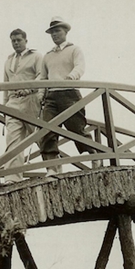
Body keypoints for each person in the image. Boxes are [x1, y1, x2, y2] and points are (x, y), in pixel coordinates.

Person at [39, 17, 98, 176]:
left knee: (76, 129)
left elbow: (80, 66)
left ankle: (95, 155)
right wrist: (41, 94)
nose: (55, 35)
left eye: (57, 31)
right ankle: (52, 167)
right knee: (47, 130)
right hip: (52, 96)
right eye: (52, 32)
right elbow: (43, 77)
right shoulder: (48, 55)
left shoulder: (74, 49)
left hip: (69, 93)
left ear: (65, 31)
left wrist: (71, 78)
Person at [2, 29, 43, 183]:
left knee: (39, 136)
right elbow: (5, 84)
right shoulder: (9, 60)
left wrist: (31, 88)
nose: (16, 43)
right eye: (13, 41)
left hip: (30, 99)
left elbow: (41, 75)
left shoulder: (36, 56)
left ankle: (53, 168)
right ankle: (13, 177)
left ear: (26, 40)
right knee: (13, 139)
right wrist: (4, 106)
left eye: (19, 40)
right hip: (13, 102)